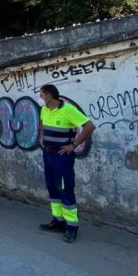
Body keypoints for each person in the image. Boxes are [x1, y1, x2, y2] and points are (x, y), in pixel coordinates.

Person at [38, 84, 96, 243]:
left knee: (64, 187)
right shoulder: (44, 110)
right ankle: (58, 221)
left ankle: (71, 226)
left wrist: (74, 145)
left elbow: (89, 126)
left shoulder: (68, 109)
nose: (40, 98)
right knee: (52, 187)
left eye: (41, 94)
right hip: (48, 154)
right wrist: (43, 140)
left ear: (49, 95)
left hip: (62, 156)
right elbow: (42, 125)